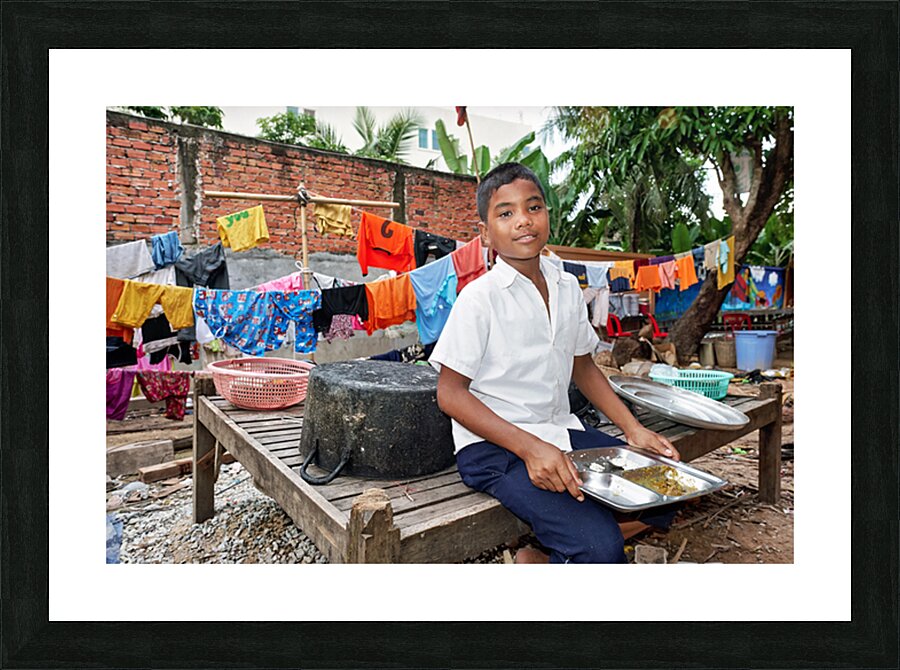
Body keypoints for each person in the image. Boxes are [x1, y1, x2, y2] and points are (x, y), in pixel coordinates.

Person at [429, 162, 680, 564]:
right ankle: (579, 549)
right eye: (505, 213)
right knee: (601, 549)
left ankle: (548, 557)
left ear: (547, 213)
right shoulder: (480, 298)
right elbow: (450, 394)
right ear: (485, 233)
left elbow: (584, 366)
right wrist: (530, 449)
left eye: (533, 207)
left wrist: (633, 430)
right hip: (495, 449)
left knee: (664, 488)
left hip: (559, 432)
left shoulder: (565, 285)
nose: (523, 221)